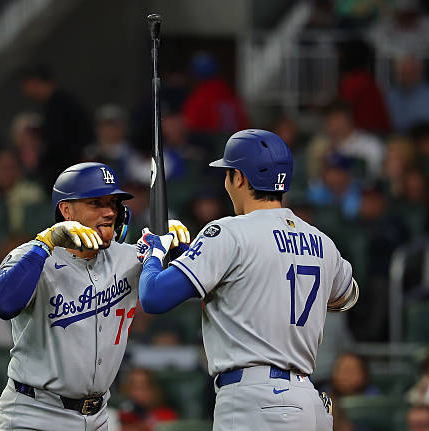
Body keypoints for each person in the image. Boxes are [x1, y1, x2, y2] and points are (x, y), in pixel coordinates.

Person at [135, 129, 359, 431]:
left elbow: (153, 297)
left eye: (227, 174)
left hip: (254, 400)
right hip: (308, 399)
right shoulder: (321, 241)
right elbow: (348, 296)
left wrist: (155, 253)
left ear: (238, 177)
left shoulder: (229, 231)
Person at [0, 162, 189, 431]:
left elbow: (185, 288)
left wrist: (178, 248)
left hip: (97, 417)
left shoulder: (128, 257)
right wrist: (44, 243)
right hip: (34, 413)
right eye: (96, 203)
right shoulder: (33, 256)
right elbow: (2, 304)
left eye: (114, 204)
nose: (109, 213)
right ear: (66, 210)